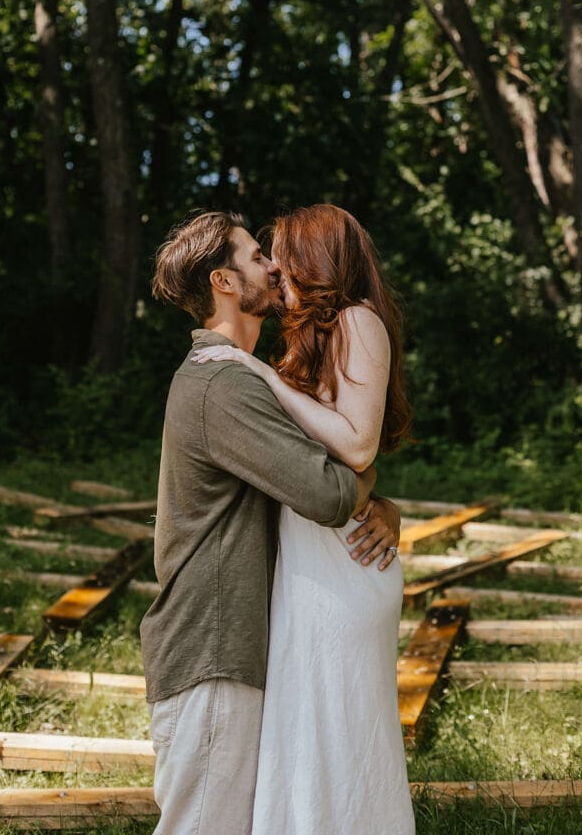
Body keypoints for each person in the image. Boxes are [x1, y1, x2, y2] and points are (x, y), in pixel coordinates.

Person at [140, 209, 403, 835]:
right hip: (212, 649)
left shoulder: (242, 377)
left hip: (242, 647)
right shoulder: (223, 384)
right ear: (224, 283)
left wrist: (382, 506)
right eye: (257, 256)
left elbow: (315, 473)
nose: (274, 264)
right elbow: (327, 488)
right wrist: (367, 487)